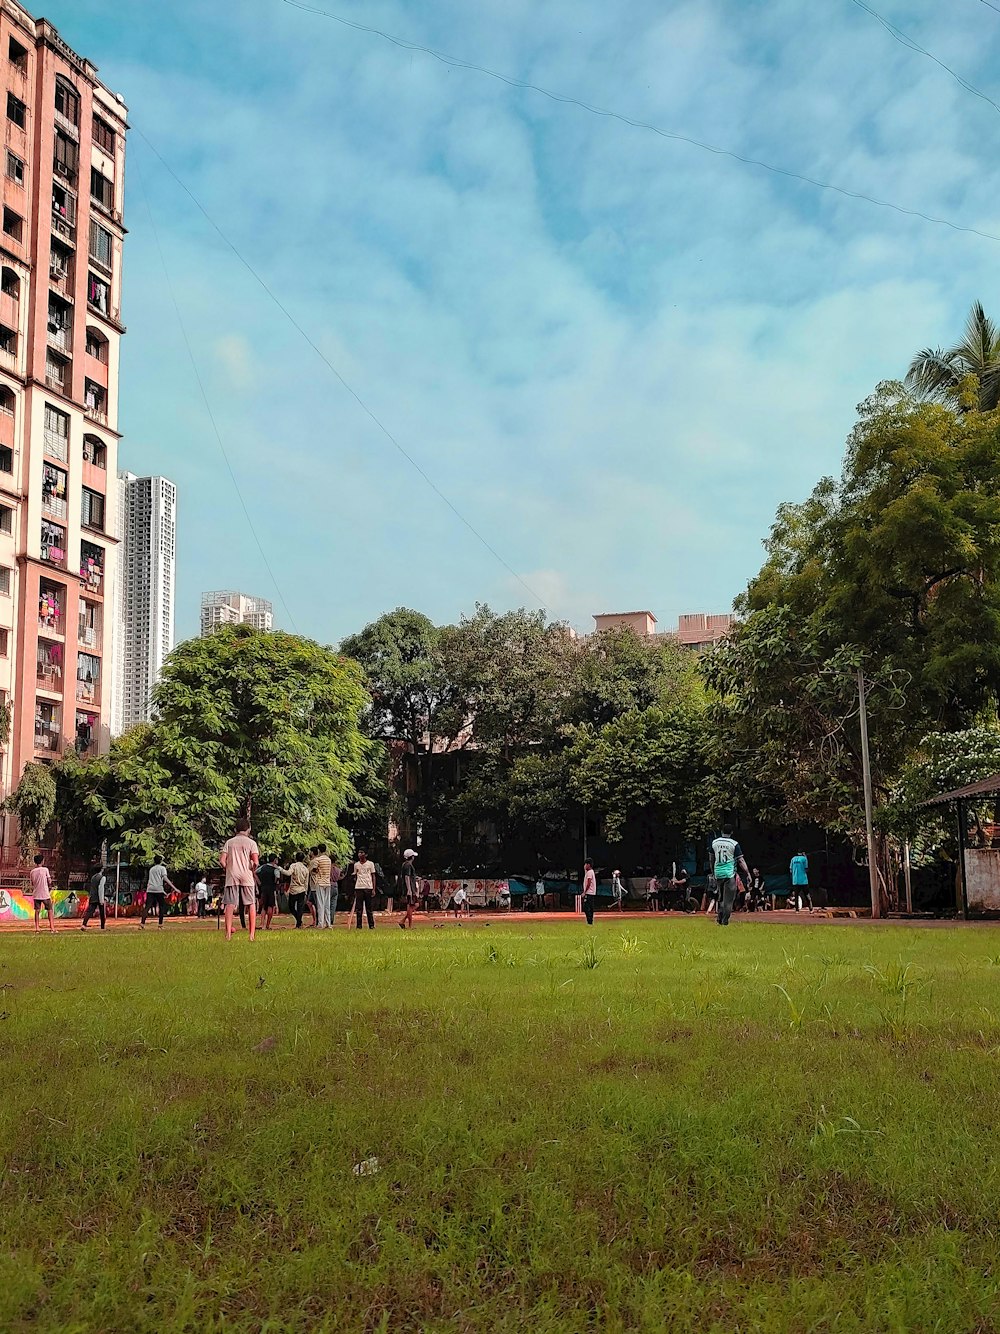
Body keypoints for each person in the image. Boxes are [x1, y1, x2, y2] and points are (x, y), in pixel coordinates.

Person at [219, 820, 260, 942]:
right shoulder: (251, 843)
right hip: (246, 875)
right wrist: (252, 869)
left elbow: (222, 860)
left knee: (230, 904)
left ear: (235, 829)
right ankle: (251, 935)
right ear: (248, 829)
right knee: (251, 904)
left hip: (232, 875)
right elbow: (256, 861)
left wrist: (228, 868)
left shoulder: (229, 842)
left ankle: (228, 935)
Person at [710, 826, 752, 927]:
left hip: (718, 873)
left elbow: (711, 859)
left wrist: (713, 872)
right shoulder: (734, 844)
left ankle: (719, 918)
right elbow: (741, 861)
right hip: (729, 874)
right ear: (732, 832)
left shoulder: (714, 843)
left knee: (721, 898)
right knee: (728, 900)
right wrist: (748, 873)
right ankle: (724, 922)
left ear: (721, 831)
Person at [141, 856, 178, 930]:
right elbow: (165, 878)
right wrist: (174, 888)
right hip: (158, 889)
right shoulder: (162, 868)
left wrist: (163, 891)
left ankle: (142, 924)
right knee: (161, 906)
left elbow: (150, 881)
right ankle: (160, 925)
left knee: (147, 907)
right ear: (160, 861)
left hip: (150, 889)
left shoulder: (151, 869)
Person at [309, 843, 334, 929]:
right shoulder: (328, 860)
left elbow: (314, 869)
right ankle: (328, 923)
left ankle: (320, 923)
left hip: (319, 882)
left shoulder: (317, 860)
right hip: (327, 882)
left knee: (320, 903)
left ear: (319, 850)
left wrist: (313, 871)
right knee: (327, 903)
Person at [30, 852, 55, 934]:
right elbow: (49, 880)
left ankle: (37, 928)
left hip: (36, 893)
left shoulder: (32, 871)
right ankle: (52, 928)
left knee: (37, 911)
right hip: (45, 893)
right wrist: (50, 886)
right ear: (42, 861)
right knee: (50, 910)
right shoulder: (45, 870)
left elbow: (32, 883)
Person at [351, 850, 377, 930]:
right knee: (359, 908)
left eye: (362, 852)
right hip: (359, 887)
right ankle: (359, 926)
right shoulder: (356, 865)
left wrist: (373, 889)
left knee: (369, 908)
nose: (360, 854)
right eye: (359, 853)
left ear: (366, 854)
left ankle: (371, 925)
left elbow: (373, 876)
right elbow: (355, 875)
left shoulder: (370, 864)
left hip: (368, 887)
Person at [257, 854, 283, 931]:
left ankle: (262, 924)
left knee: (264, 906)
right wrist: (275, 883)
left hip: (263, 888)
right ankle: (268, 925)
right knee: (271, 906)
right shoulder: (275, 868)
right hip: (271, 888)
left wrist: (259, 882)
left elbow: (255, 872)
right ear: (275, 860)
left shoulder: (263, 867)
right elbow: (277, 878)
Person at [80, 861, 107, 930]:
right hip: (98, 896)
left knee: (89, 911)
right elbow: (101, 888)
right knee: (102, 912)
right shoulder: (102, 878)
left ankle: (84, 924)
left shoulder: (93, 877)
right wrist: (101, 899)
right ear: (101, 869)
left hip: (93, 896)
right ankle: (102, 927)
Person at [285, 852, 309, 928]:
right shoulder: (305, 869)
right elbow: (306, 882)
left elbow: (288, 873)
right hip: (302, 890)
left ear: (296, 858)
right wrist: (306, 891)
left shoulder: (293, 866)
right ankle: (299, 922)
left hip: (294, 890)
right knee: (300, 908)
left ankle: (299, 923)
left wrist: (280, 869)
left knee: (291, 907)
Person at [398, 848, 418, 929]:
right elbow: (407, 877)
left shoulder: (404, 864)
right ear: (412, 857)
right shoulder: (408, 865)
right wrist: (409, 890)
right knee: (412, 906)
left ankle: (405, 922)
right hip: (410, 889)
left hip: (409, 888)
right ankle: (406, 923)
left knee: (412, 905)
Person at [582, 860, 598, 926]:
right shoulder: (591, 872)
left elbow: (588, 883)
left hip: (589, 892)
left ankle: (589, 921)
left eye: (585, 864)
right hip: (591, 892)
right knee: (590, 907)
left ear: (589, 865)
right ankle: (590, 921)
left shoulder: (589, 872)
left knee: (586, 907)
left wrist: (584, 892)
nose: (585, 866)